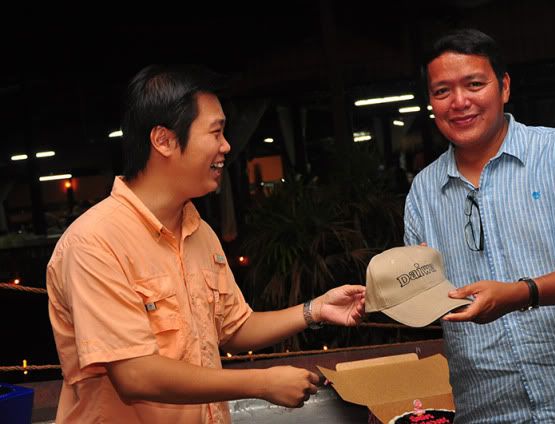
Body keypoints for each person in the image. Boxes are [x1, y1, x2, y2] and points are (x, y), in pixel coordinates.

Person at [46, 64, 366, 424]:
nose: (226, 146)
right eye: (216, 132)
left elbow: (235, 328)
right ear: (164, 140)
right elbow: (135, 374)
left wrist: (315, 309)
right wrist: (261, 383)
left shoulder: (199, 232)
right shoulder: (94, 242)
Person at [404, 29, 555, 423]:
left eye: (474, 84)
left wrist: (521, 293)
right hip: (489, 407)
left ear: (504, 87)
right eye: (442, 91)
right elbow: (424, 298)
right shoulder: (423, 192)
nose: (459, 102)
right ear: (431, 102)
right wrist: (394, 292)